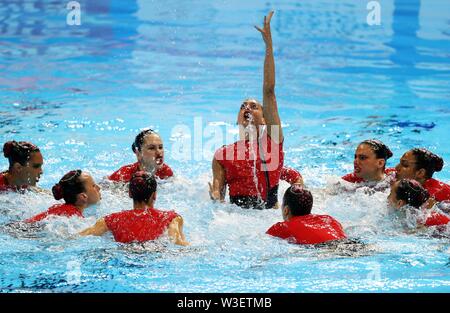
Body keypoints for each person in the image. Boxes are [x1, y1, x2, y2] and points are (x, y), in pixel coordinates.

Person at [210, 11, 301, 209]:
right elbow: (218, 199)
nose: (247, 108)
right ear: (237, 119)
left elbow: (269, 91)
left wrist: (269, 46)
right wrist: (214, 193)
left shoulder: (273, 140)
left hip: (267, 216)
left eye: (254, 106)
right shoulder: (222, 155)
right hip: (236, 220)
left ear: (265, 118)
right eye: (243, 106)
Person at [80, 172, 188, 246]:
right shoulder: (171, 218)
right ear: (154, 195)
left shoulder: (110, 220)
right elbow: (177, 243)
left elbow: (81, 236)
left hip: (124, 255)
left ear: (130, 194)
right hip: (155, 255)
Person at [266, 184, 347, 244]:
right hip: (349, 244)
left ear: (286, 210)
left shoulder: (281, 227)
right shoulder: (328, 219)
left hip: (324, 250)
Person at [25, 170, 101, 223]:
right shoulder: (72, 217)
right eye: (93, 186)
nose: (99, 187)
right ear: (83, 197)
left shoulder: (62, 209)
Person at [108, 129, 173, 183]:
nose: (159, 152)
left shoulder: (165, 172)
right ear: (138, 153)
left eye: (160, 147)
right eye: (151, 148)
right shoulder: (124, 175)